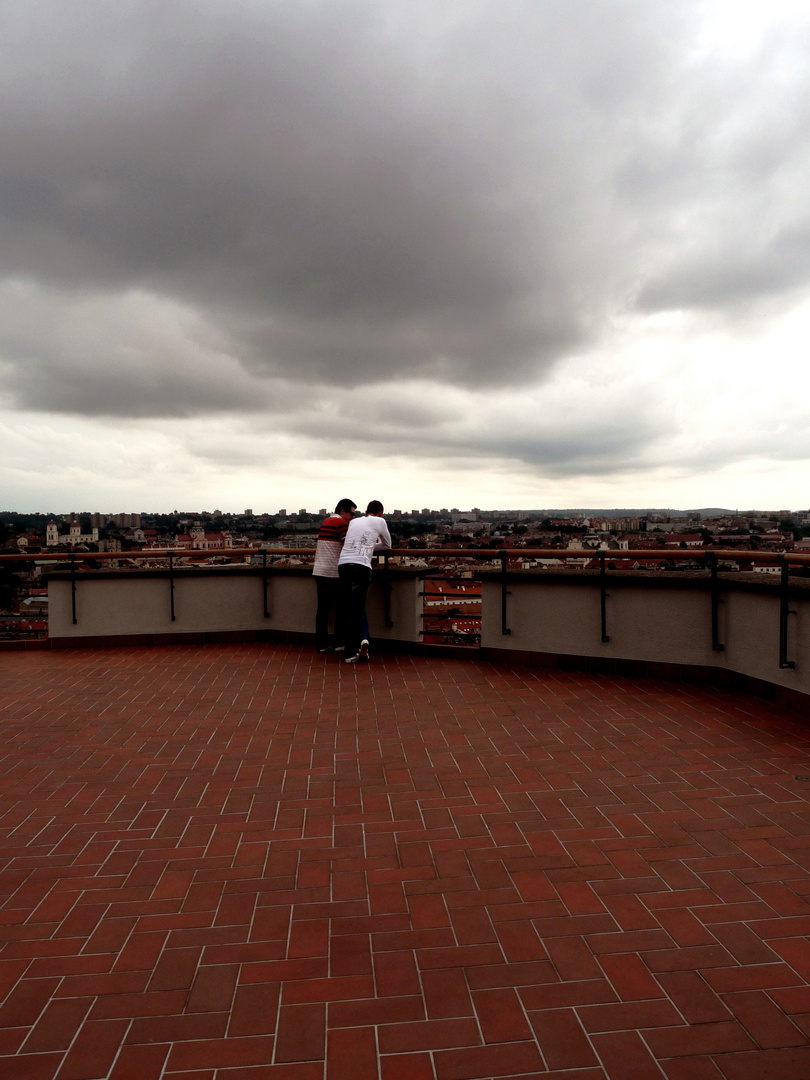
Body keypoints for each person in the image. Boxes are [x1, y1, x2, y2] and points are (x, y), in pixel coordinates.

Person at [338, 500, 391, 663]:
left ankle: (362, 640)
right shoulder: (380, 521)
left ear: (367, 511)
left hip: (343, 564)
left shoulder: (354, 521)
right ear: (380, 513)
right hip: (361, 566)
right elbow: (387, 545)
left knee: (350, 607)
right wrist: (368, 546)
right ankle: (351, 651)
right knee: (357, 608)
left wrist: (365, 544)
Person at [312, 498, 356, 652]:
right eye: (351, 513)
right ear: (343, 511)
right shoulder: (341, 524)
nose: (352, 517)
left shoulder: (327, 521)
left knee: (322, 609)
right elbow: (349, 546)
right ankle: (339, 642)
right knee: (342, 608)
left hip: (319, 571)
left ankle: (322, 644)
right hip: (334, 572)